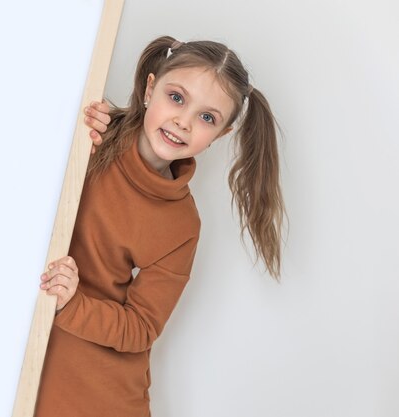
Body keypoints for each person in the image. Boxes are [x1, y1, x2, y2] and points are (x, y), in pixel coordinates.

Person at [35, 35, 285, 417]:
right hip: (27, 352)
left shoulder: (181, 225)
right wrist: (69, 124)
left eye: (207, 117)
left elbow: (140, 328)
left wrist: (72, 303)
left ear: (220, 135)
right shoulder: (94, 134)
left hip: (97, 393)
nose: (183, 122)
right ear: (151, 88)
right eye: (177, 97)